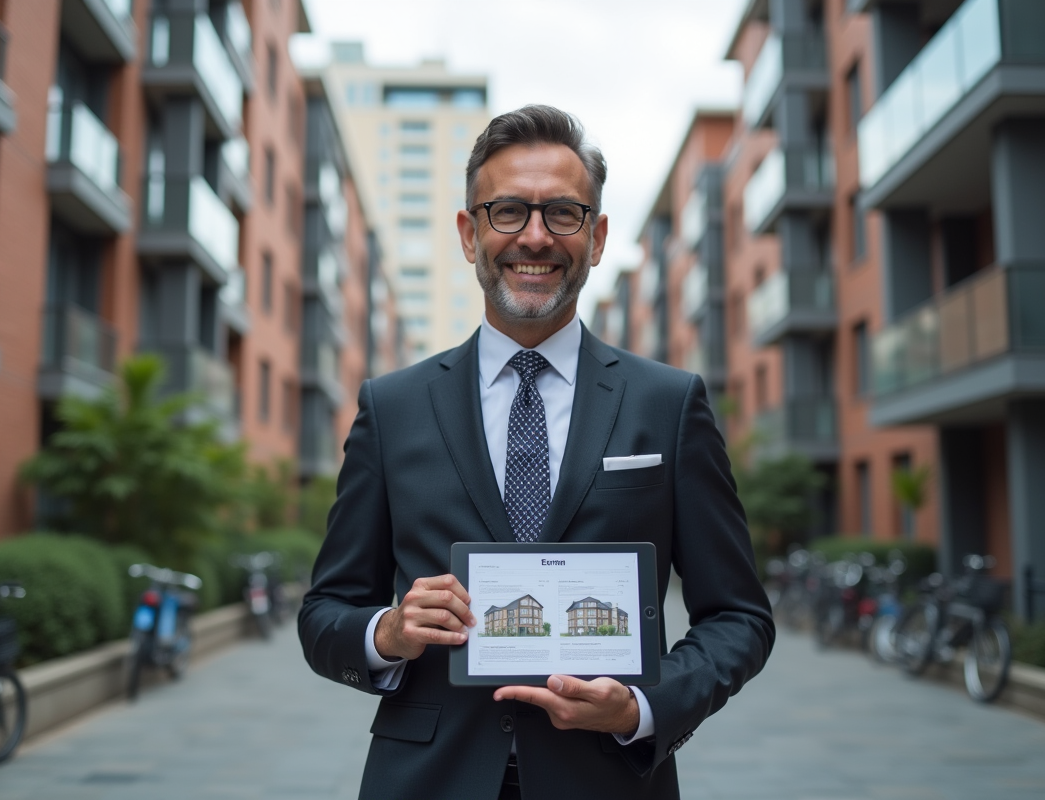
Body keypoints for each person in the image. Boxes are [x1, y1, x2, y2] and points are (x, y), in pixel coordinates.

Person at [298, 105, 774, 800]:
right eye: (508, 211)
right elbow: (325, 614)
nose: (535, 236)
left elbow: (739, 616)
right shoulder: (391, 407)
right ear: (469, 233)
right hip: (427, 778)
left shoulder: (669, 405)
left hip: (610, 778)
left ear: (598, 235)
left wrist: (644, 707)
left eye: (563, 214)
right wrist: (389, 632)